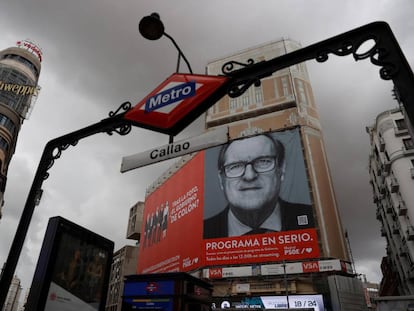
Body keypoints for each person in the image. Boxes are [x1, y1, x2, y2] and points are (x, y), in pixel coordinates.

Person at [203, 133, 314, 238]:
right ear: (221, 179)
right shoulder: (202, 234)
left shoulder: (314, 218)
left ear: (281, 169)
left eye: (263, 162)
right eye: (235, 166)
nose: (250, 176)